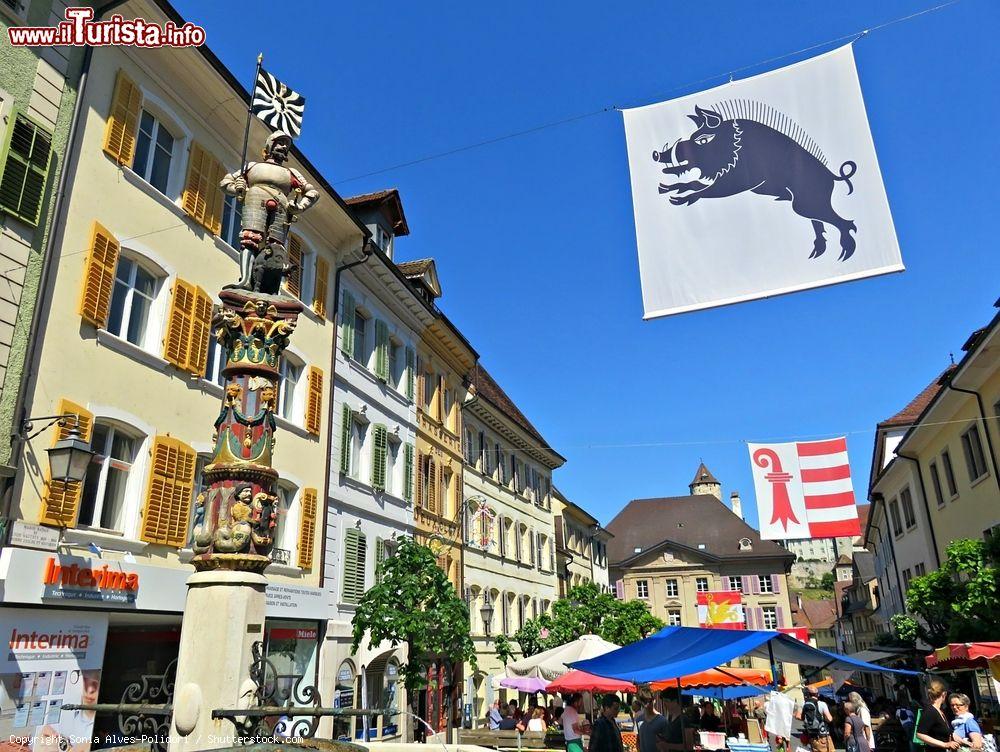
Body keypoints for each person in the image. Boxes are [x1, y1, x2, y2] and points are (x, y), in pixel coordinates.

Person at [916, 679, 961, 751]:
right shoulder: (930, 711)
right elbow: (920, 734)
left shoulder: (940, 710)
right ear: (944, 694)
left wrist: (966, 742)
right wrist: (945, 744)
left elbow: (946, 732)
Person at [796, 687, 835, 752]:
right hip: (823, 735)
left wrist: (809, 719)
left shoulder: (804, 704)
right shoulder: (822, 704)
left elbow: (797, 716)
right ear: (817, 694)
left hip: (812, 736)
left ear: (808, 694)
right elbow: (829, 719)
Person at [637, 688, 667, 752]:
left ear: (654, 700)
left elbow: (666, 744)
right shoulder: (639, 720)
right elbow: (638, 741)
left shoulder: (662, 721)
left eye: (650, 701)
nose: (647, 704)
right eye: (644, 701)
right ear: (641, 701)